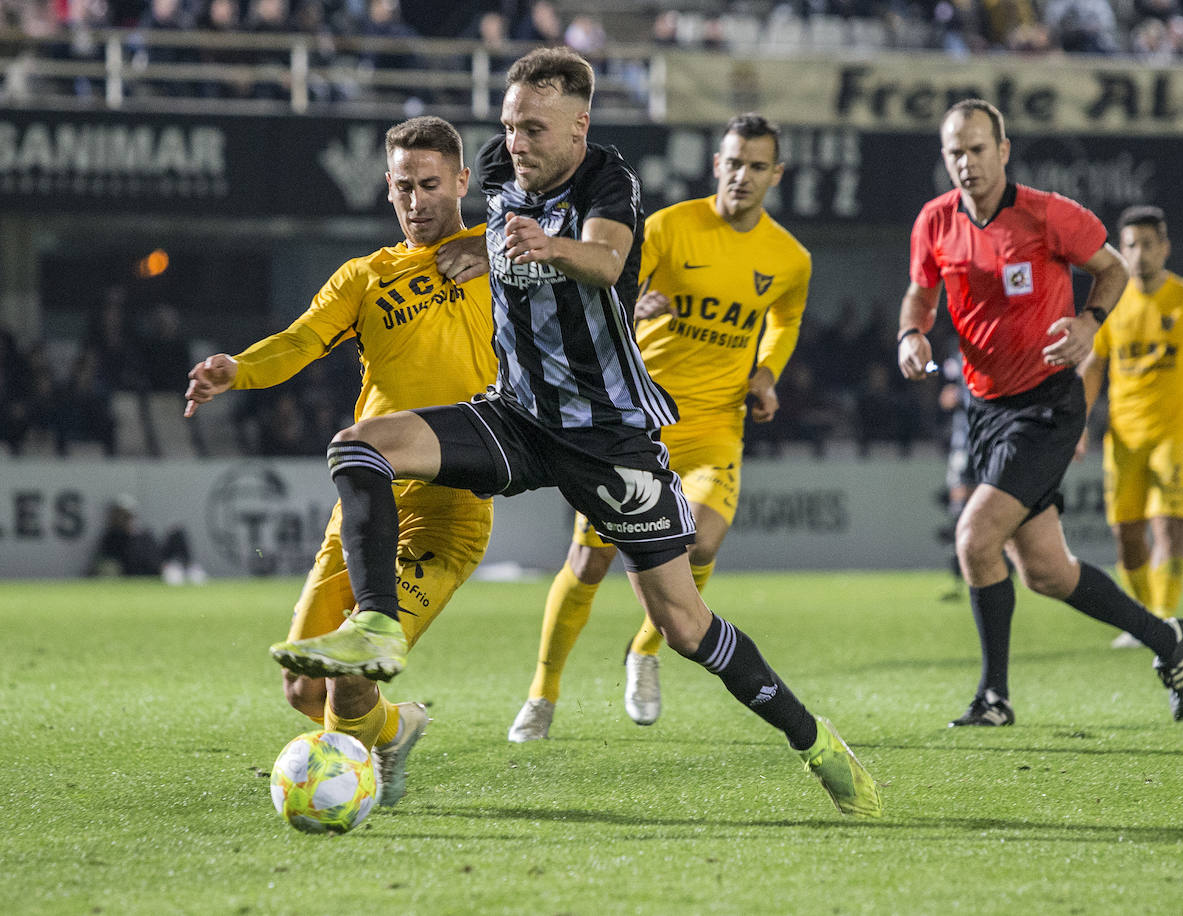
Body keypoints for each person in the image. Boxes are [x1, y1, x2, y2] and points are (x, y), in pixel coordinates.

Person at [268, 48, 879, 817]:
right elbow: (483, 220)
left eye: (533, 128)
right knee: (359, 446)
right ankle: (379, 625)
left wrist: (542, 245)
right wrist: (475, 241)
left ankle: (814, 741)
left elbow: (608, 257)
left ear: (579, 127)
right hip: (518, 416)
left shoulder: (608, 180)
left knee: (684, 625)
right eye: (509, 125)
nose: (516, 141)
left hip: (608, 436)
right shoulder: (497, 171)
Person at [184, 116, 498, 807]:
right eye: (404, 186)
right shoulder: (366, 277)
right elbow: (299, 341)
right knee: (305, 686)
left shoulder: (501, 255)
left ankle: (346, 787)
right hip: (368, 502)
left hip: (448, 516)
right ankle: (396, 729)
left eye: (431, 185)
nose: (417, 200)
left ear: (463, 183)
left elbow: (589, 246)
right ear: (387, 188)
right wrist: (236, 367)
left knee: (353, 671)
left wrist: (496, 245)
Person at [504, 112, 811, 742]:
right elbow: (607, 281)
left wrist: (767, 374)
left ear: (776, 175)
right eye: (732, 163)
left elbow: (784, 318)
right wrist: (634, 304)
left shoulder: (789, 258)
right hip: (636, 428)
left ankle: (646, 647)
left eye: (757, 166)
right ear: (715, 164)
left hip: (714, 432)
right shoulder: (670, 227)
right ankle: (543, 692)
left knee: (700, 542)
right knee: (589, 563)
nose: (742, 176)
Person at [897, 98, 1183, 727]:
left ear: (1003, 151)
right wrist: (912, 334)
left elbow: (1111, 270)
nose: (966, 162)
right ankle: (1169, 640)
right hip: (985, 409)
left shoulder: (1048, 214)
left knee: (975, 539)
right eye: (955, 151)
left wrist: (1090, 322)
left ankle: (994, 697)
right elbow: (921, 293)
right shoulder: (935, 221)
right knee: (1046, 573)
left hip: (1046, 404)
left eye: (977, 149)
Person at [1076, 206, 1183, 648]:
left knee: (1169, 525)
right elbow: (1093, 365)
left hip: (1175, 433)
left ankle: (1165, 619)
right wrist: (1079, 424)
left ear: (1165, 248)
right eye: (1130, 245)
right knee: (1127, 534)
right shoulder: (1109, 304)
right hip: (1125, 437)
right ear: (1120, 249)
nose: (1140, 254)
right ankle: (1145, 619)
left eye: (1149, 244)